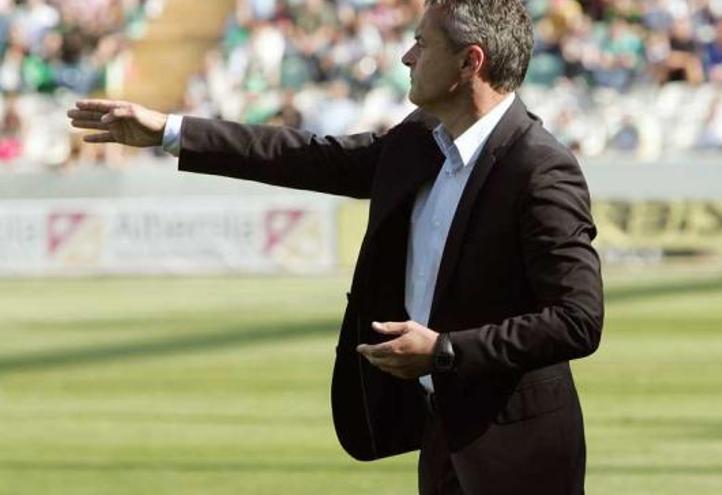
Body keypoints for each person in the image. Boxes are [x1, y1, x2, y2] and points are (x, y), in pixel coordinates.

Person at [66, 0, 604, 493]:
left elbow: (578, 319)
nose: (406, 55)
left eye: (422, 43)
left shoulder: (538, 168)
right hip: (444, 442)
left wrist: (445, 351)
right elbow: (303, 155)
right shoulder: (419, 142)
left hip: (522, 456)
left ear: (470, 62)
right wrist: (169, 131)